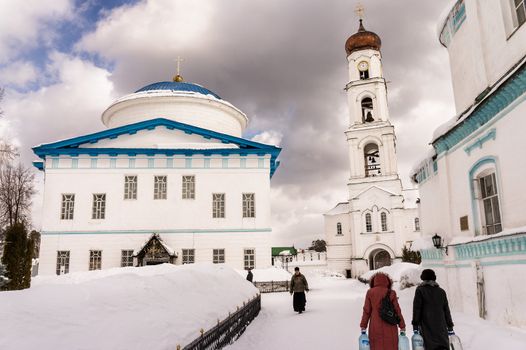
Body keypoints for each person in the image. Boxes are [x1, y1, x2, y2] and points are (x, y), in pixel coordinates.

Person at [360, 273, 406, 350]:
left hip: (375, 326)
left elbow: (366, 311)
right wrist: (402, 326)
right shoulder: (392, 293)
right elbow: (397, 310)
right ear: (387, 281)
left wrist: (363, 325)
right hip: (390, 325)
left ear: (374, 281)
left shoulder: (370, 292)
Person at [412, 269, 454, 350]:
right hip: (441, 326)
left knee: (429, 346)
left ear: (423, 278)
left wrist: (415, 325)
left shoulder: (420, 290)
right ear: (434, 278)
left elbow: (417, 308)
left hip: (426, 325)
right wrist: (450, 326)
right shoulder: (441, 291)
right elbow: (446, 310)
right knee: (443, 346)